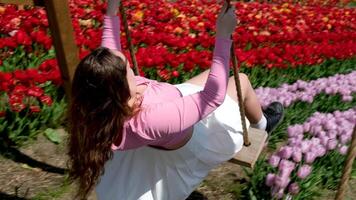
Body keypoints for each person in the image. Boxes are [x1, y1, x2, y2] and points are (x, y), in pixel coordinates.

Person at [68, 0, 284, 199]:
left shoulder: (103, 103)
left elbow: (109, 51)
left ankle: (261, 122)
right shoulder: (149, 120)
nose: (130, 67)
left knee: (215, 75)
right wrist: (223, 36)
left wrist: (112, 10)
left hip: (176, 97)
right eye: (128, 69)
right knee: (241, 81)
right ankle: (263, 125)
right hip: (202, 131)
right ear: (121, 90)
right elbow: (212, 97)